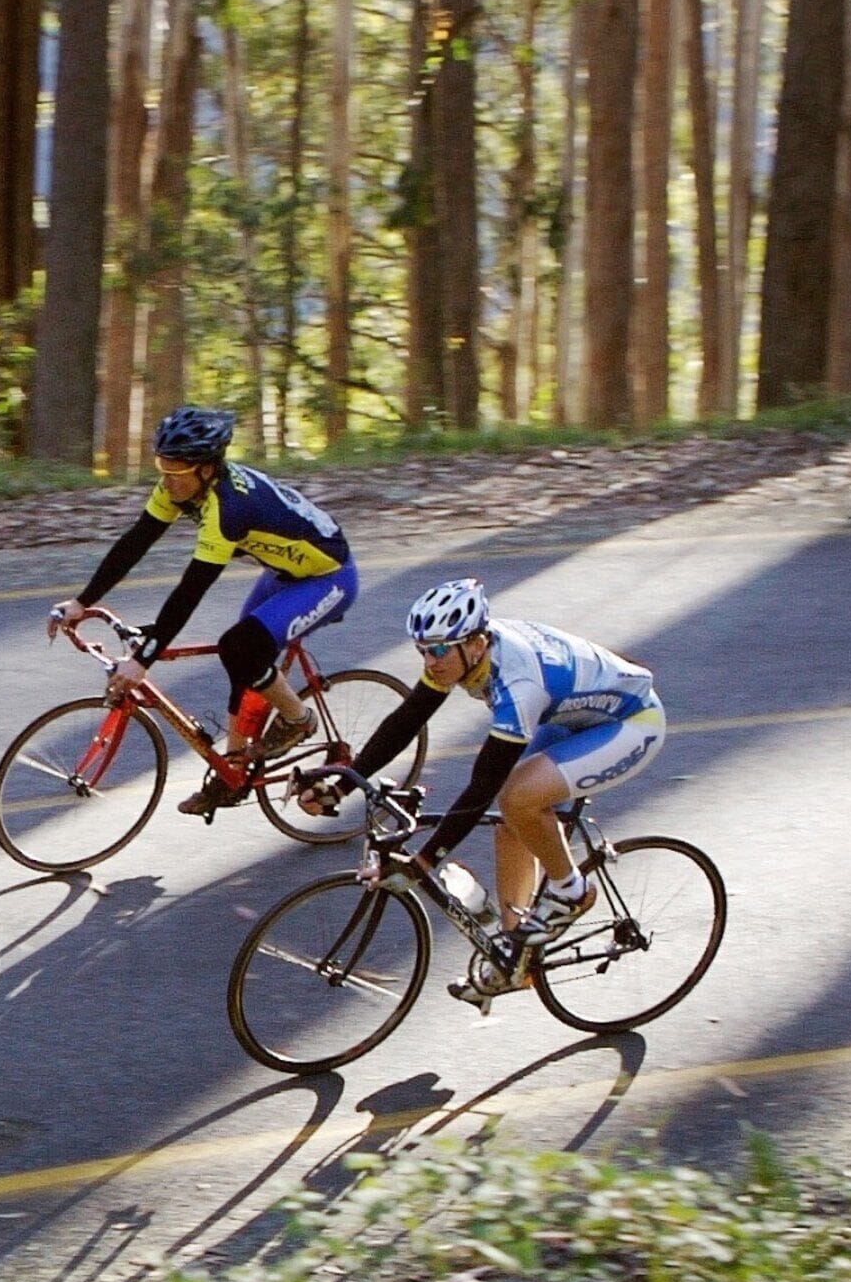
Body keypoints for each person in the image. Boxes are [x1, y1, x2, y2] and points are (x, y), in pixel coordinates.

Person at [309, 577, 665, 974]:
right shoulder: (465, 653)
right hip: (570, 716)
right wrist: (340, 784)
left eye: (439, 650)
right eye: (422, 650)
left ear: (477, 644)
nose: (430, 661)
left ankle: (572, 890)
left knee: (517, 799)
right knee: (511, 826)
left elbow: (481, 787)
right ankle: (515, 960)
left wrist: (424, 861)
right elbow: (406, 720)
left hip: (630, 723)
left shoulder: (519, 685)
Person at [52, 406, 357, 819]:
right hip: (285, 574)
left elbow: (191, 589)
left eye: (176, 471)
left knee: (240, 647)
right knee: (241, 660)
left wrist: (143, 660)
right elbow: (135, 543)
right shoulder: (182, 486)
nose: (167, 479)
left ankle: (298, 719)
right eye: (162, 466)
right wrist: (82, 601)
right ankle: (234, 772)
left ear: (207, 470)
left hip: (329, 577)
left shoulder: (228, 510)